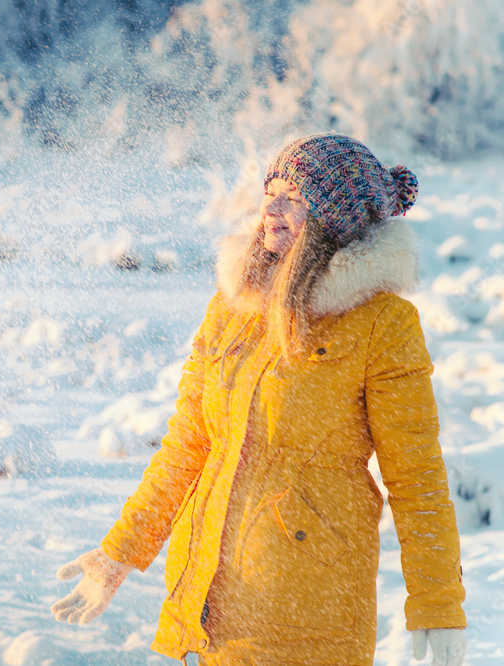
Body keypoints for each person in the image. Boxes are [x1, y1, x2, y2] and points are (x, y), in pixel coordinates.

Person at [51, 133, 467, 665]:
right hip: (206, 600)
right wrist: (120, 553)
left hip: (307, 614)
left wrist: (437, 603)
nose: (271, 206)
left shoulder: (380, 324)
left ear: (333, 218)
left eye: (294, 195)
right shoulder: (233, 309)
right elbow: (188, 446)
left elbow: (418, 478)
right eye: (270, 190)